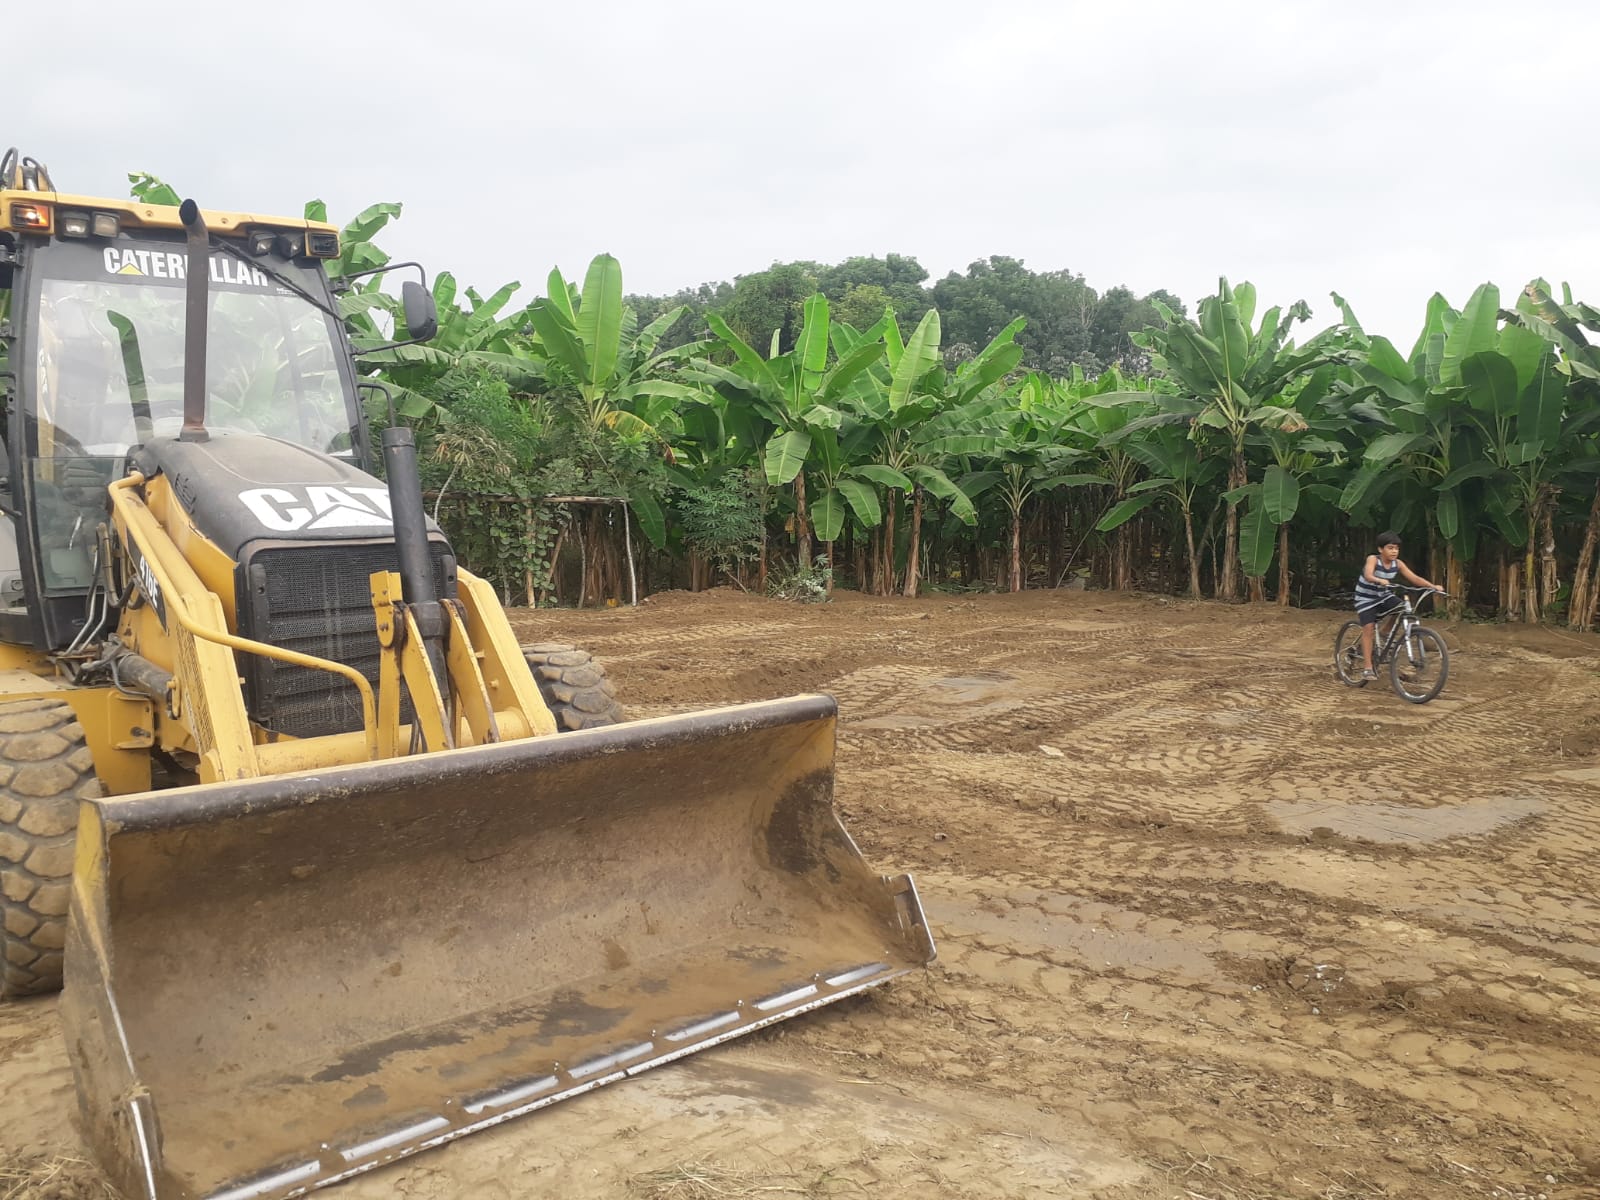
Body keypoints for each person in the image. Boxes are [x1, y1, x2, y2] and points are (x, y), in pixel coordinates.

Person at [1354, 531, 1439, 680]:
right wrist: (1378, 580)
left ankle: (1385, 632)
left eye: (1397, 548)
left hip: (1383, 596)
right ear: (1380, 549)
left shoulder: (1398, 564)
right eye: (1390, 548)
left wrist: (1432, 586)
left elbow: (1414, 578)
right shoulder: (1373, 559)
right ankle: (1367, 668)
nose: (1394, 551)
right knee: (1368, 628)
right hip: (1365, 599)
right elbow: (1368, 574)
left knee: (1402, 608)